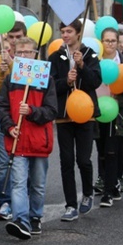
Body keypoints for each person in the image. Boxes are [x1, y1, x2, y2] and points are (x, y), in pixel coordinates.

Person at [0, 37, 58, 239]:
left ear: (35, 55)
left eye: (28, 53)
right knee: (18, 182)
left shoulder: (45, 80)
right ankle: (21, 220)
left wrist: (31, 111)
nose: (24, 56)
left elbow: (51, 111)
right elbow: (3, 107)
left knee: (38, 184)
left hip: (39, 140)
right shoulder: (10, 80)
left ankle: (35, 216)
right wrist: (9, 127)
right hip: (18, 139)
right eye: (20, 53)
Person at [48, 19, 101, 221]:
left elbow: (95, 81)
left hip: (85, 114)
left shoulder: (90, 54)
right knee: (67, 161)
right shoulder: (55, 57)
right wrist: (66, 81)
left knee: (83, 159)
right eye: (62, 31)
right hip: (64, 116)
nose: (65, 35)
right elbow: (50, 86)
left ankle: (88, 192)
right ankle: (70, 204)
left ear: (78, 33)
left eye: (69, 31)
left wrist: (82, 66)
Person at [0, 21, 27, 221]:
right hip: (4, 116)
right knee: (3, 162)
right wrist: (2, 70)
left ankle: (22, 199)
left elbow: (26, 84)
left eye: (18, 37)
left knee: (23, 159)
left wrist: (12, 65)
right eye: (10, 37)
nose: (13, 41)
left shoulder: (29, 60)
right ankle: (4, 201)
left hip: (24, 117)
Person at [94, 28, 123, 207]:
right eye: (106, 40)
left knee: (112, 150)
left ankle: (108, 191)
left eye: (113, 41)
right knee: (101, 150)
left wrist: (119, 99)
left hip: (115, 112)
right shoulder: (94, 61)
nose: (109, 44)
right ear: (101, 42)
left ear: (118, 43)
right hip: (96, 111)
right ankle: (110, 183)